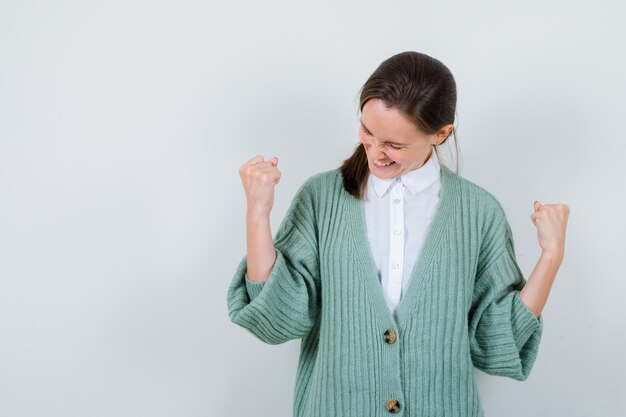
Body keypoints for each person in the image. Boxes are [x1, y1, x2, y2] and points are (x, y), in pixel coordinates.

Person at [227, 51, 570, 417]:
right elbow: (278, 318)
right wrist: (257, 214)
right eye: (367, 132)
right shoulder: (320, 198)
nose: (375, 152)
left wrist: (551, 258)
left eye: (394, 144)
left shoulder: (479, 213)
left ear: (441, 134)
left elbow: (493, 340)